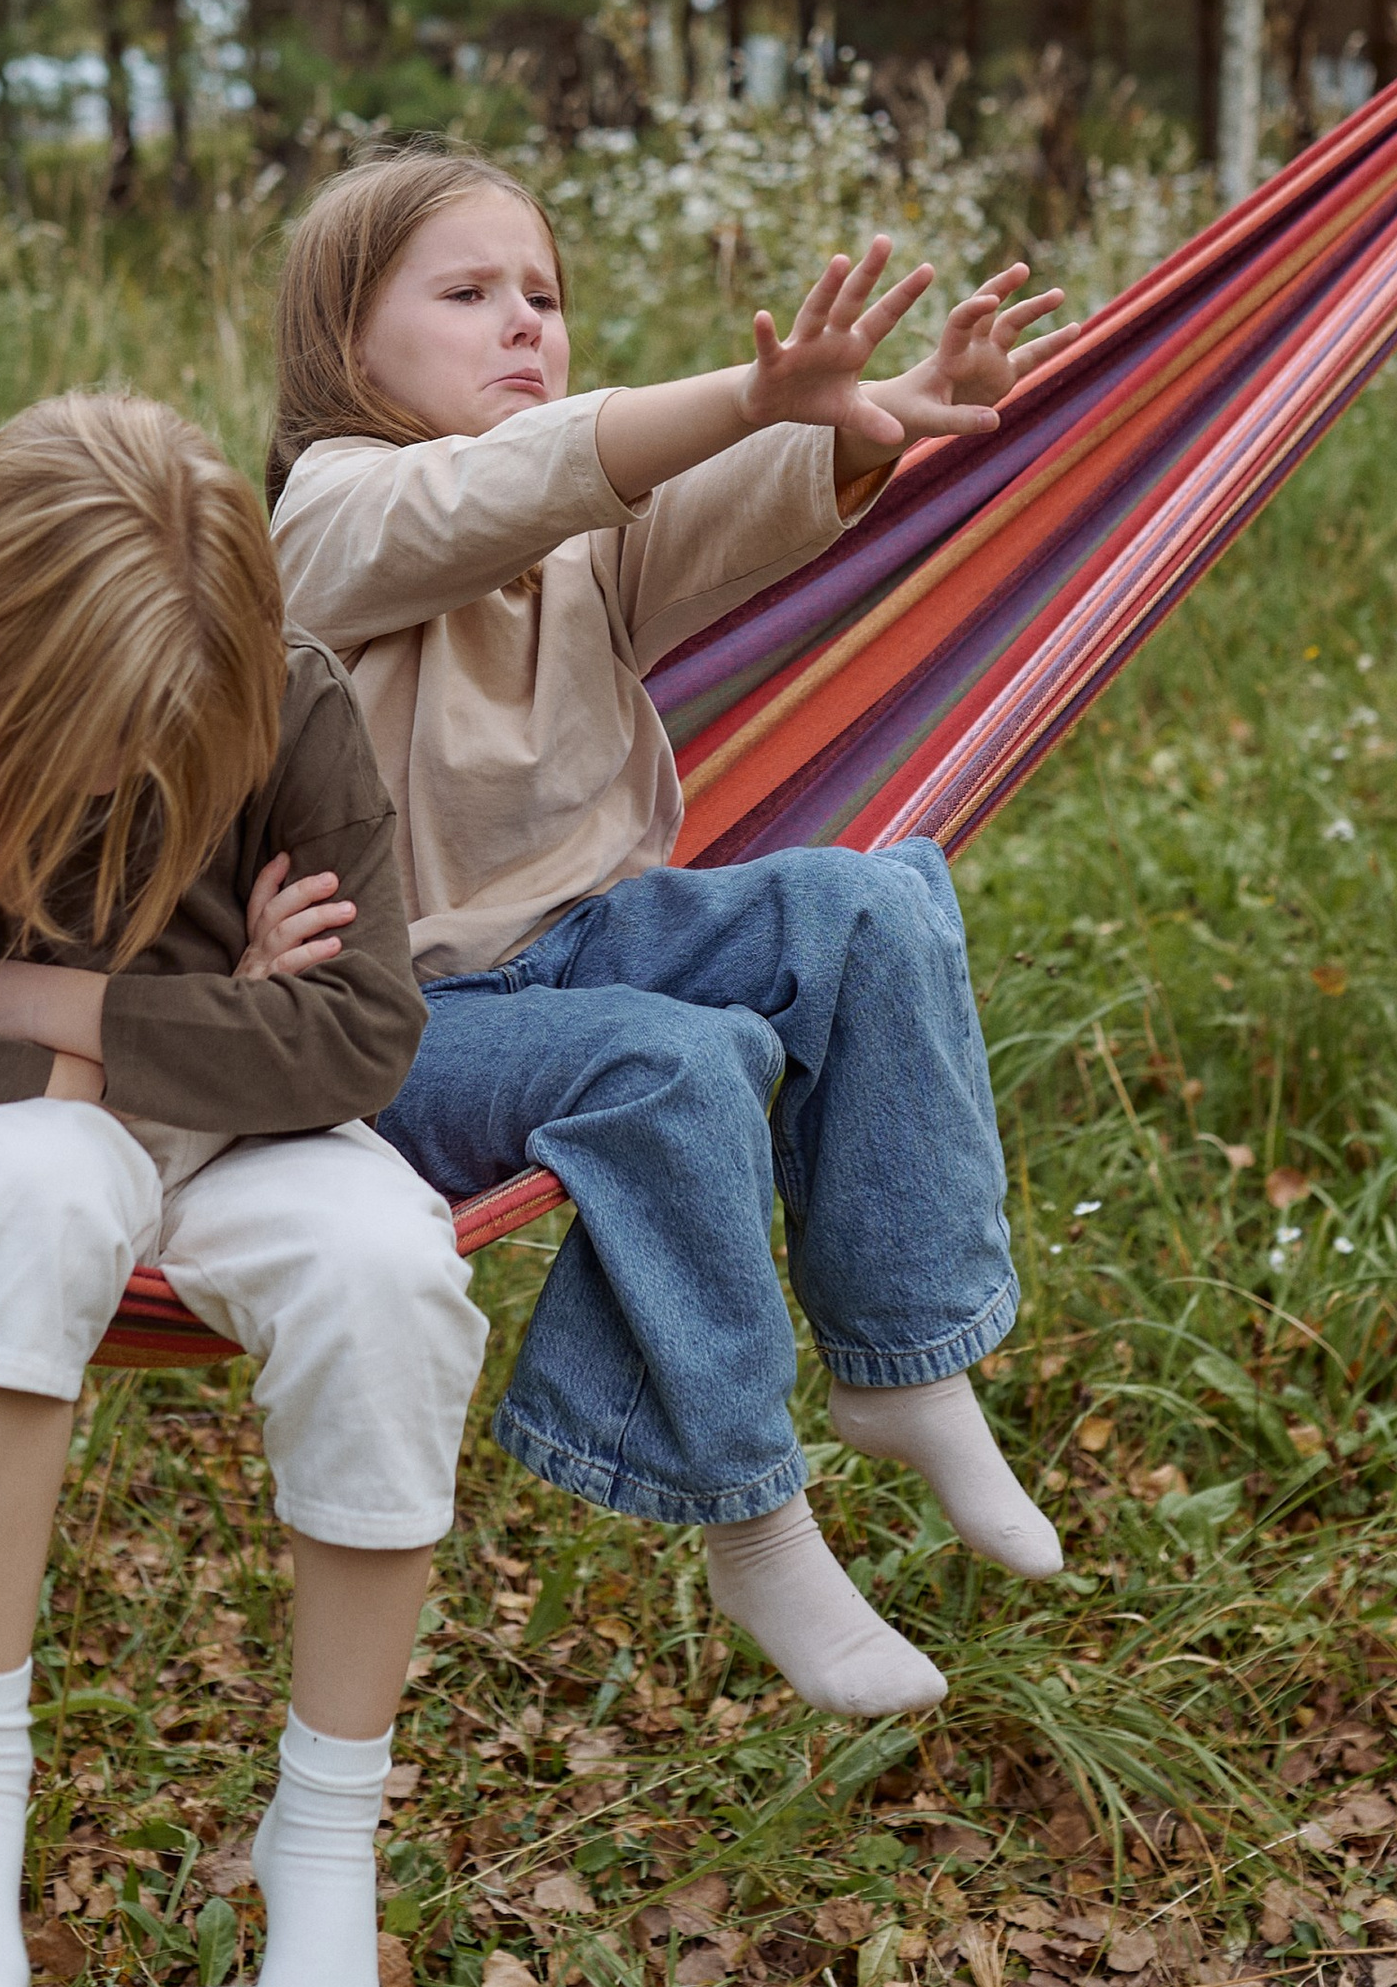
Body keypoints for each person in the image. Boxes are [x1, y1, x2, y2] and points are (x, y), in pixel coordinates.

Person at [267, 149, 1076, 1719]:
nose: (526, 324)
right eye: (469, 293)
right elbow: (519, 485)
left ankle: (907, 1363)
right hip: (393, 1027)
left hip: (586, 941)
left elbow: (718, 510)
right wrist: (747, 389)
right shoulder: (331, 518)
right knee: (676, 1064)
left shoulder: (576, 533)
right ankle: (753, 1521)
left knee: (873, 897)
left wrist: (885, 412)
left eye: (545, 296)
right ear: (344, 346)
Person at [0, 391, 486, 1987]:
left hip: (250, 1138)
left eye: (171, 740)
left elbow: (363, 1036)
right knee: (35, 1197)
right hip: (37, 1135)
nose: (131, 781)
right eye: (91, 748)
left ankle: (323, 1835)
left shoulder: (282, 687)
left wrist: (57, 999)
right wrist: (211, 1018)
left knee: (391, 1273)